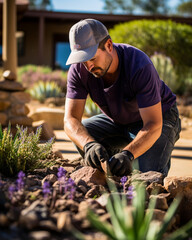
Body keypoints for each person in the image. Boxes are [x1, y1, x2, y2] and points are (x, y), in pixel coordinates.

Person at [64, 18, 181, 177]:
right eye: (82, 60)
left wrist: (128, 154)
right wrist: (89, 145)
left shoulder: (139, 65)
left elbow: (153, 124)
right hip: (119, 122)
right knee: (85, 131)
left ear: (109, 45)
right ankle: (113, 169)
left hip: (160, 118)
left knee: (146, 176)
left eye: (92, 58)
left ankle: (129, 160)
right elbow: (70, 119)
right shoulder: (79, 70)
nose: (88, 66)